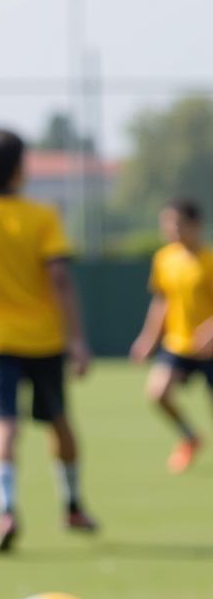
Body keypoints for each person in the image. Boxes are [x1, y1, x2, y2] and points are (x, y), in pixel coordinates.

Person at [0, 128, 99, 558]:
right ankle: (72, 505)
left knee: (2, 424)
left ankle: (6, 510)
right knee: (59, 420)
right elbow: (60, 279)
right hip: (44, 339)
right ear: (17, 168)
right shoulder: (43, 216)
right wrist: (78, 340)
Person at [129, 198, 213, 472]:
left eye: (177, 223)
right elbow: (162, 302)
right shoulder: (164, 259)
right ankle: (190, 437)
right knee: (157, 393)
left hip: (210, 348)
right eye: (166, 224)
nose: (171, 229)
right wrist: (148, 339)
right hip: (178, 344)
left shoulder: (209, 261)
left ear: (196, 225)